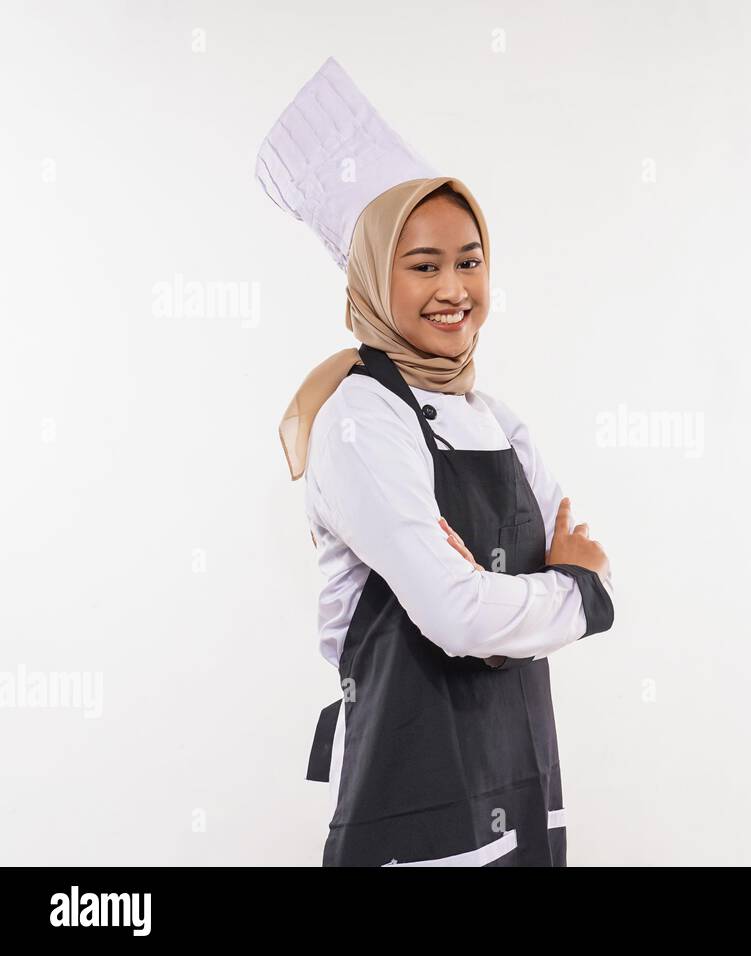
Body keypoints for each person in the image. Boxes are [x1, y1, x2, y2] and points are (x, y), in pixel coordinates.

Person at [255, 58, 615, 867]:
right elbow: (460, 615)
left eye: (471, 258)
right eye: (422, 265)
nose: (454, 287)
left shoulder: (499, 419)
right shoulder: (356, 418)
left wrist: (503, 604)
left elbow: (584, 573)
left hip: (518, 775)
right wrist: (562, 593)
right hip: (409, 789)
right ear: (374, 279)